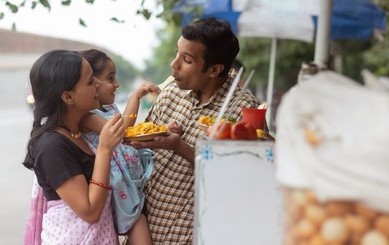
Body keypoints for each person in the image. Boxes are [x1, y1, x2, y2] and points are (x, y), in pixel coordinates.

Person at [130, 17, 261, 243]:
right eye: (177, 54)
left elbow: (240, 180)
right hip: (144, 234)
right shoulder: (169, 96)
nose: (174, 65)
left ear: (214, 69)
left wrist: (178, 146)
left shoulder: (245, 113)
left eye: (187, 59)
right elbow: (139, 158)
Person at [23, 49, 125, 244]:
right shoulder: (52, 146)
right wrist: (104, 149)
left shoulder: (76, 131)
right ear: (68, 97)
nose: (97, 84)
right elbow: (90, 211)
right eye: (89, 81)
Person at [79, 49, 158, 244]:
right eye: (110, 78)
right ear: (92, 83)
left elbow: (127, 129)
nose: (116, 84)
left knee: (139, 222)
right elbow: (122, 129)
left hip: (129, 182)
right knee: (137, 223)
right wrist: (135, 97)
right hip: (116, 186)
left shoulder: (108, 108)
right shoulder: (86, 115)